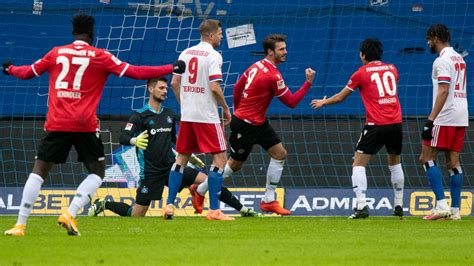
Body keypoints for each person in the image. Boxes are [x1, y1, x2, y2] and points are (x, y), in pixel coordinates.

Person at [3, 14, 185, 236]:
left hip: (56, 123)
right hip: (84, 125)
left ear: (74, 33)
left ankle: (20, 225)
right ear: (92, 34)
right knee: (97, 173)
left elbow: (27, 73)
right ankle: (70, 213)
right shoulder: (100, 56)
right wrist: (170, 67)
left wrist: (9, 69)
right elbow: (136, 72)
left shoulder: (55, 52)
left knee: (40, 170)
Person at [87, 77, 258, 217]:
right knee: (137, 215)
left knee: (208, 180)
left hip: (172, 166)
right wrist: (134, 141)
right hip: (150, 171)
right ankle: (104, 204)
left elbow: (175, 142)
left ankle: (242, 209)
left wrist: (189, 156)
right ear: (150, 89)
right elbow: (123, 137)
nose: (165, 91)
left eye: (166, 88)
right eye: (161, 88)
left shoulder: (168, 114)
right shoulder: (139, 116)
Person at [192, 34, 315, 216]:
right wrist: (308, 83)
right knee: (233, 165)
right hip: (246, 126)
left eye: (285, 48)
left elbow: (236, 88)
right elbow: (291, 102)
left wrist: (237, 110)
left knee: (280, 153)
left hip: (257, 122)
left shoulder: (255, 66)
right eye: (281, 49)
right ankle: (200, 189)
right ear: (270, 52)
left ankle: (268, 200)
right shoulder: (273, 75)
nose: (285, 52)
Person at [311, 38, 405, 219]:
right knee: (395, 162)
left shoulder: (360, 73)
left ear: (363, 55)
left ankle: (361, 205)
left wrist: (323, 102)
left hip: (376, 124)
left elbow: (340, 98)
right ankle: (399, 204)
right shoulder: (392, 69)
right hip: (395, 124)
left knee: (358, 164)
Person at [165, 19, 234, 220]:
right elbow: (214, 87)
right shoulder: (214, 56)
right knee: (220, 159)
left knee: (181, 159)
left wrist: (185, 104)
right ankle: (214, 210)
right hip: (207, 117)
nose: (222, 36)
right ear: (211, 35)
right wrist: (226, 108)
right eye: (220, 33)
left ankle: (169, 205)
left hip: (188, 117)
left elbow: (174, 83)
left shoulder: (184, 53)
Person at [419, 24, 468, 221]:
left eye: (428, 39)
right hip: (461, 115)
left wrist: (430, 119)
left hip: (445, 116)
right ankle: (456, 211)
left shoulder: (442, 61)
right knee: (453, 162)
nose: (428, 43)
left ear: (435, 37)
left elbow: (444, 90)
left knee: (427, 158)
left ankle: (441, 205)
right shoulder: (459, 58)